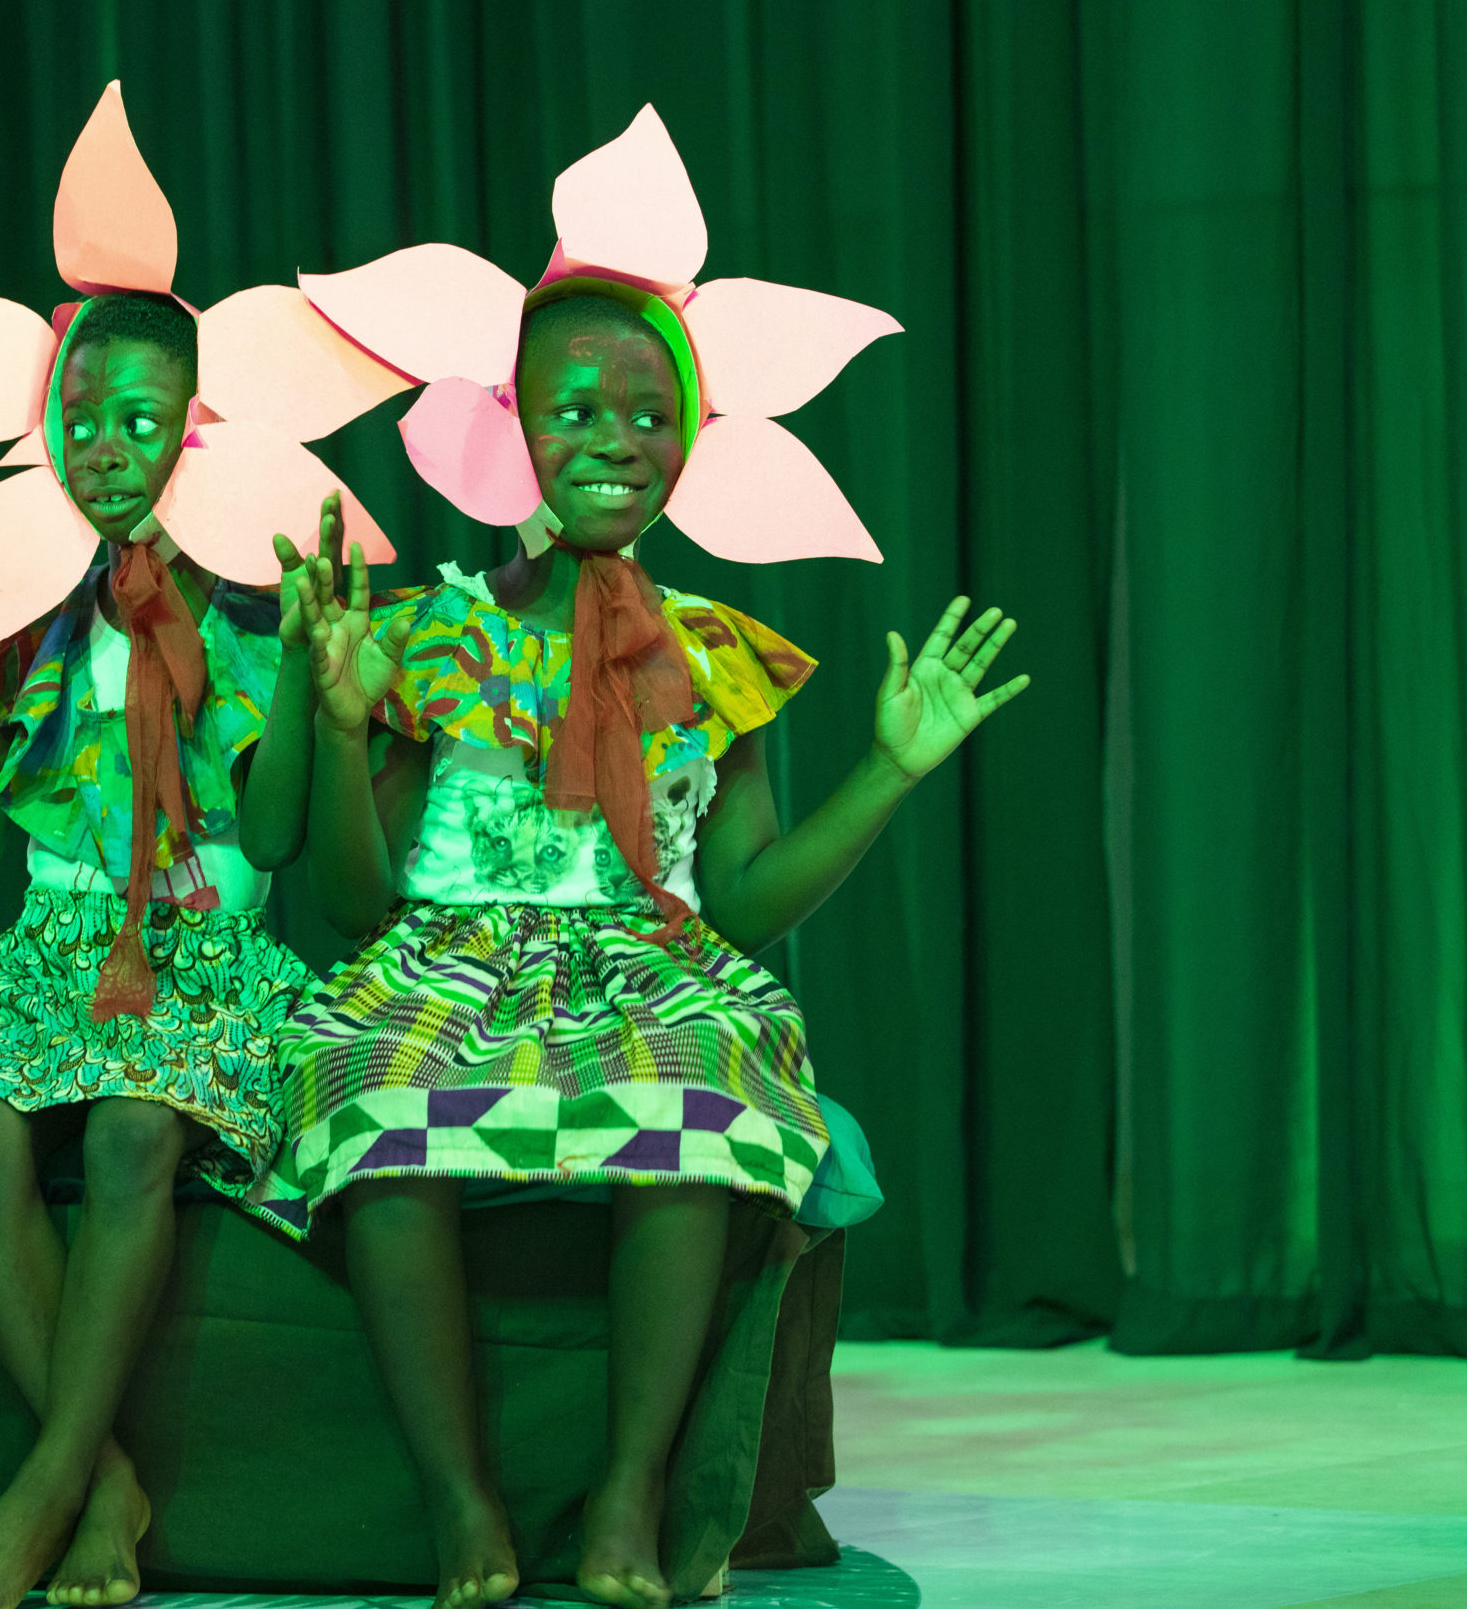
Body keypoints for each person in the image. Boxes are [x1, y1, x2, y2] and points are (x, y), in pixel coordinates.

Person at [248, 107, 1028, 1609]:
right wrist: (343, 731)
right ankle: (461, 1506)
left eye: (649, 415)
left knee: (700, 1103)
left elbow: (740, 904)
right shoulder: (424, 635)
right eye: (576, 410)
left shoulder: (715, 654)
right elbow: (349, 904)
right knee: (373, 1105)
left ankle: (627, 1498)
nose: (615, 440)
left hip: (642, 970)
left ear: (692, 442)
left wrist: (888, 770)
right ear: (513, 431)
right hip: (444, 968)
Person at [0, 82, 393, 1609]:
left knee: (137, 1130)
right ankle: (102, 1486)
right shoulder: (24, 611)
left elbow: (274, 834)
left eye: (140, 421)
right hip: (52, 955)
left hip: (206, 962)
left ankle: (40, 1496)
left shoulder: (256, 609)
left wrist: (311, 693)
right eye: (79, 422)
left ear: (198, 430)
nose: (105, 448)